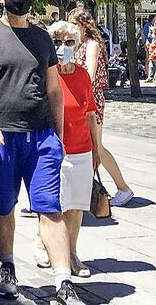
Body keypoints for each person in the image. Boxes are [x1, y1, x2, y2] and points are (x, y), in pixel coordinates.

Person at [0, 0, 83, 305]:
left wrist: (58, 136)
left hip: (42, 136)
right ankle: (7, 267)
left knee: (50, 207)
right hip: (1, 136)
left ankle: (62, 281)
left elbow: (53, 91)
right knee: (4, 205)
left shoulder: (43, 38)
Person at [34, 21, 99, 278]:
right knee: (53, 203)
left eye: (69, 42)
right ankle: (43, 243)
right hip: (54, 147)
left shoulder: (82, 75)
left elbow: (91, 113)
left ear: (77, 44)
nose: (64, 47)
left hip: (82, 147)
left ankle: (71, 252)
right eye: (58, 42)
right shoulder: (47, 74)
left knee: (76, 206)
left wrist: (96, 148)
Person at [68, 8, 133, 207]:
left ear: (83, 25)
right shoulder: (81, 45)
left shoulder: (92, 45)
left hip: (91, 101)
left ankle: (123, 188)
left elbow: (90, 72)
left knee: (97, 146)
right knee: (88, 147)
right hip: (82, 99)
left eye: (74, 25)